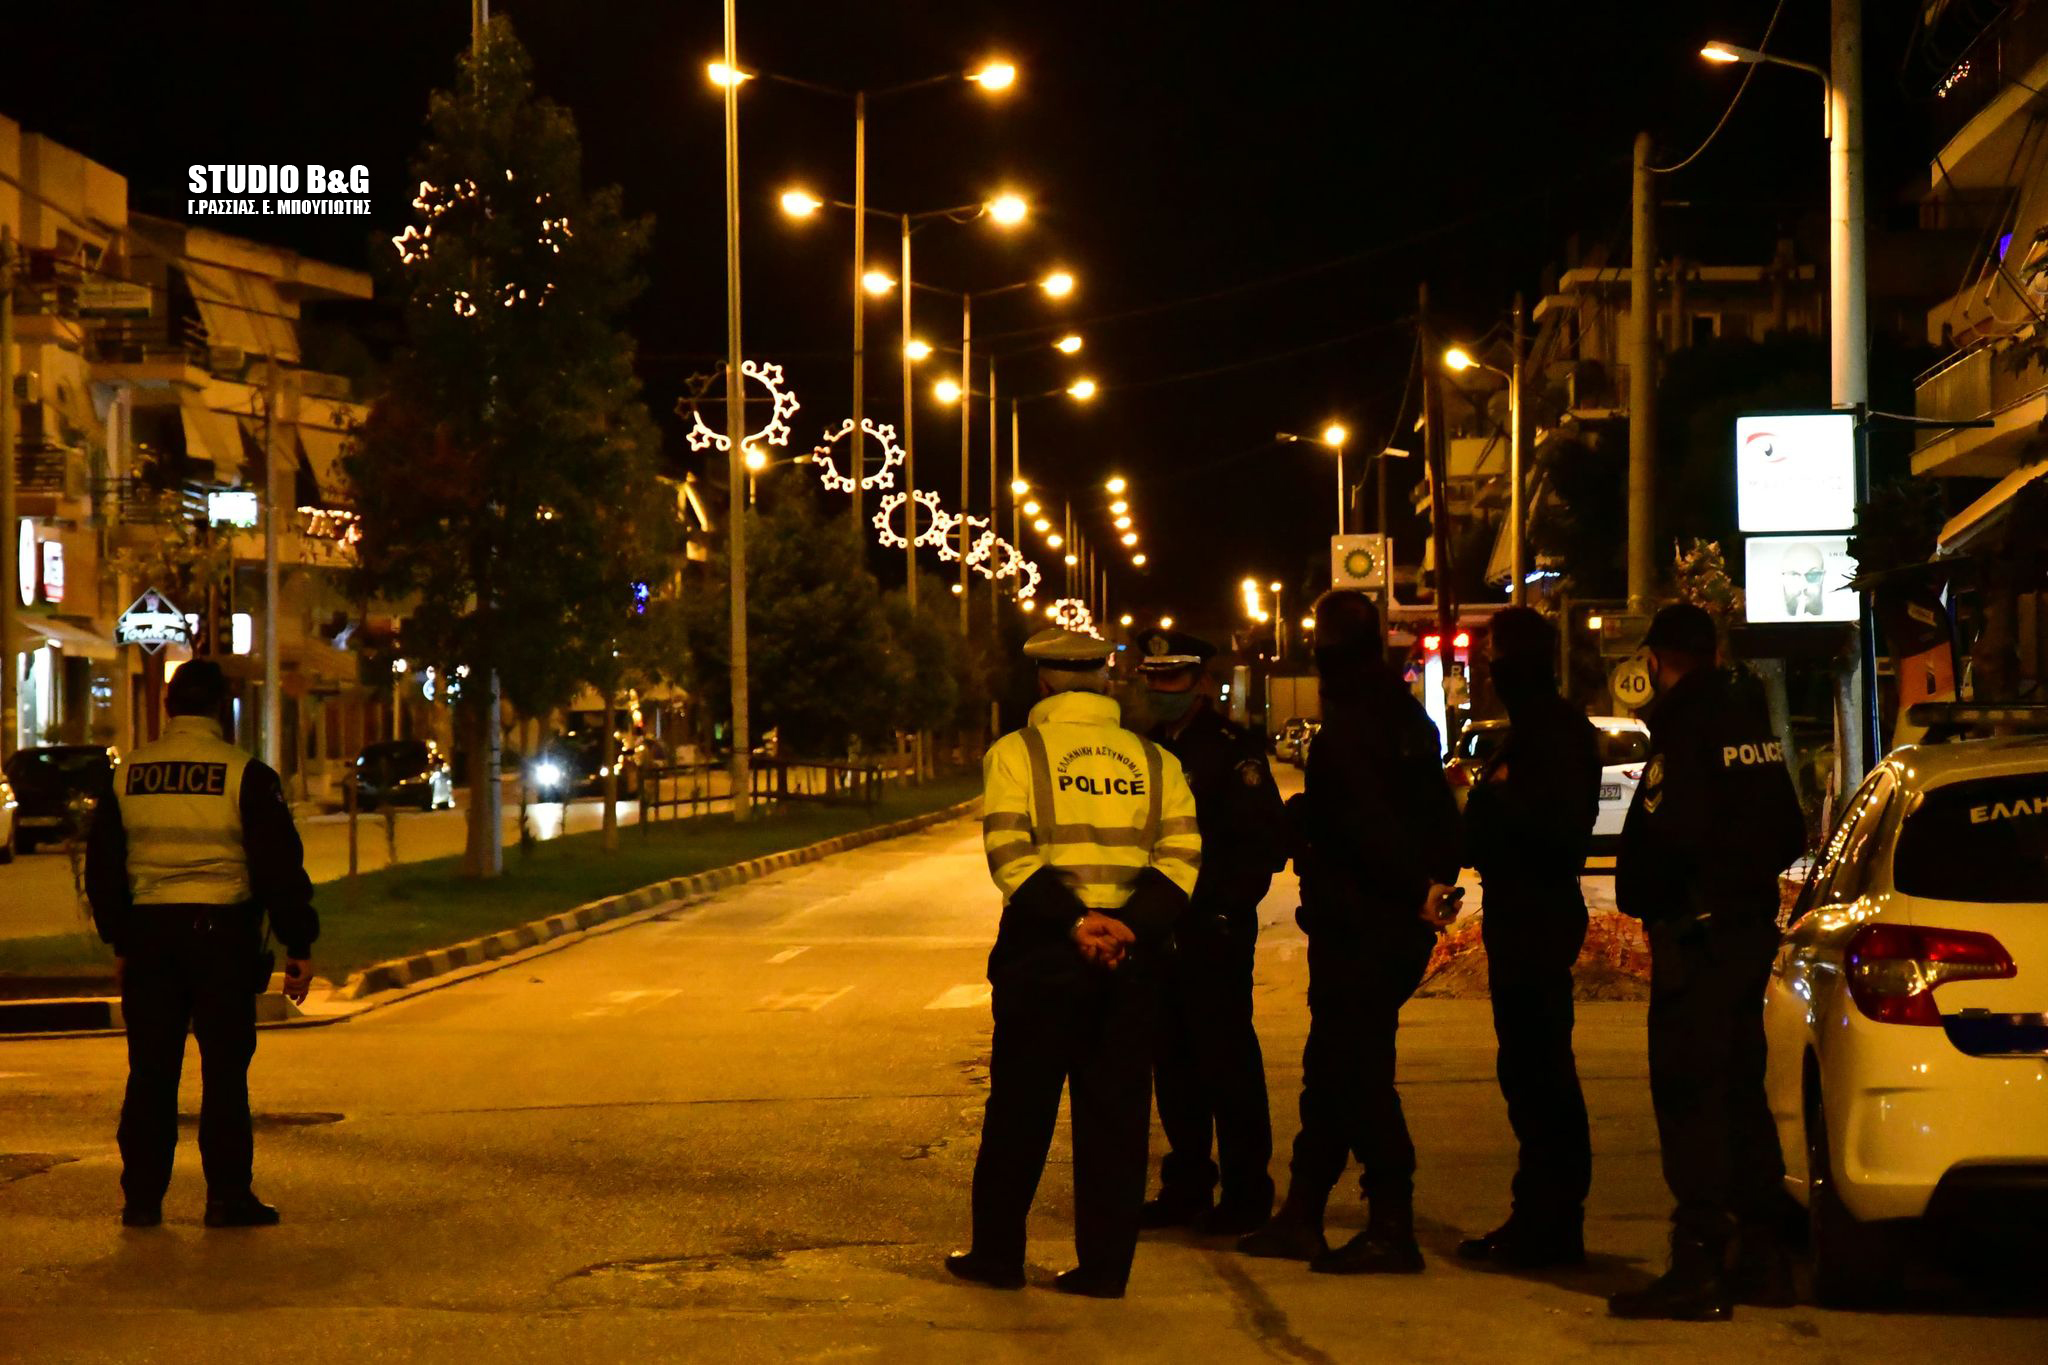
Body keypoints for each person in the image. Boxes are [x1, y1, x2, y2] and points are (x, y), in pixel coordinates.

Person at [947, 627, 1202, 1299]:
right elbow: (1182, 860)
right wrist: (1125, 927)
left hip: (1043, 956)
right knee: (1116, 1119)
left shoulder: (1016, 753)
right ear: (1105, 679)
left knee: (1019, 1111)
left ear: (1043, 683)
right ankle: (1105, 1268)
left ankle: (998, 1256)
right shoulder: (1155, 761)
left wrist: (1075, 923)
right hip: (1130, 961)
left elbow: (1010, 854)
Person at [1238, 590, 1462, 1274]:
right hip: (1382, 921)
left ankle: (1391, 1222)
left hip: (1362, 923)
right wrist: (1430, 883)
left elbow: (1367, 825)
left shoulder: (1353, 723)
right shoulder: (1405, 716)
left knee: (1356, 1073)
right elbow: (1430, 814)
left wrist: (1410, 886)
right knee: (1333, 1068)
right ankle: (1304, 1213)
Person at [1607, 603, 1807, 1321]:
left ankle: (1698, 1262)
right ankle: (1762, 1257)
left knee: (1690, 1096)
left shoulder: (1686, 725)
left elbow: (1671, 832)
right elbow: (1787, 828)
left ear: (1655, 659)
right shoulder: (1748, 722)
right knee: (1740, 1093)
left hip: (1698, 940)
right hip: (1744, 934)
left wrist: (1673, 896)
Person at [85, 659, 317, 1230]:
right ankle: (227, 1197)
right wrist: (298, 943)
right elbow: (278, 867)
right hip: (222, 939)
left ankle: (142, 1200)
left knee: (151, 1072)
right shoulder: (245, 774)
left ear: (167, 706)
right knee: (224, 1074)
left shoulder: (126, 775)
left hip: (149, 938)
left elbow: (104, 868)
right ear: (220, 709)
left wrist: (121, 941)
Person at [1130, 627, 1290, 1236]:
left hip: (1212, 928)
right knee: (1171, 1062)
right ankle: (1187, 1186)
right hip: (1159, 928)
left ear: (1200, 683)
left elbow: (1262, 843)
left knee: (1227, 1062)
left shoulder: (1230, 749)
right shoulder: (1144, 749)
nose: (1160, 688)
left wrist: (1224, 911)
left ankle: (1247, 1192)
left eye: (1172, 677)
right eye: (1152, 677)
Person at [1455, 606, 1601, 1268]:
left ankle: (1550, 1222)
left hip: (1537, 911)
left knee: (1541, 1074)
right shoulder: (1533, 730)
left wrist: (1490, 803)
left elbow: (1555, 830)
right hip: (1521, 909)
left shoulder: (1552, 733)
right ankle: (1540, 1214)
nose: (1488, 670)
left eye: (1495, 657)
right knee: (1528, 1071)